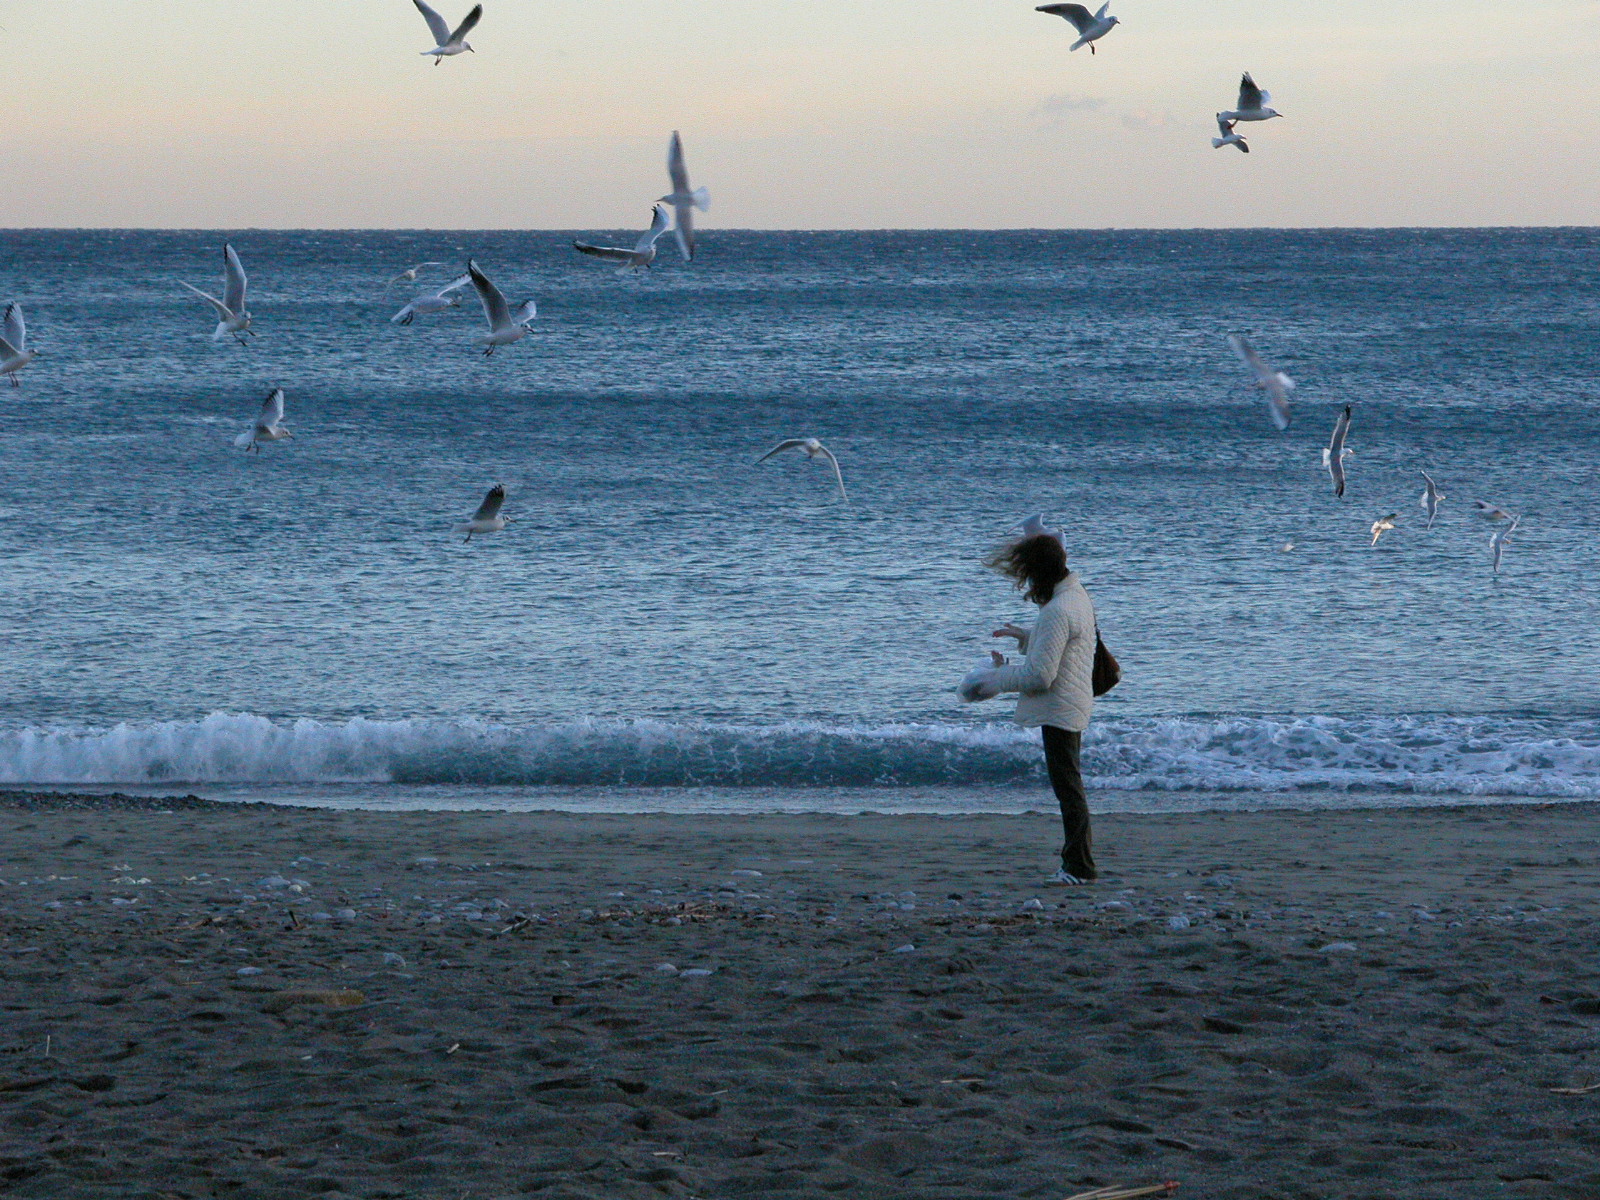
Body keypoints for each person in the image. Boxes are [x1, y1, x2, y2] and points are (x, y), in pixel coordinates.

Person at [978, 532, 1100, 884]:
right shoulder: (1077, 596)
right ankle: (1077, 863)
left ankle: (1079, 867)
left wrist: (997, 679)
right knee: (1070, 786)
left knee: (1068, 789)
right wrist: (1027, 638)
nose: (1028, 584)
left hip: (1060, 706)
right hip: (1075, 699)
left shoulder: (1056, 611)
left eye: (1028, 576)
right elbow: (1066, 646)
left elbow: (1039, 677)